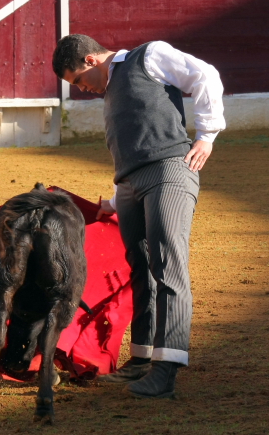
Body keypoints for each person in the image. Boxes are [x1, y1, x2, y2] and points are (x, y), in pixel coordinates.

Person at [52, 35, 225, 398]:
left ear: (91, 59)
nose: (82, 89)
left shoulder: (149, 56)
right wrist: (115, 201)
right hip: (131, 184)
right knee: (141, 269)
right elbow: (133, 148)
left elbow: (205, 75)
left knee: (167, 265)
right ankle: (143, 359)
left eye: (78, 80)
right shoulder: (112, 91)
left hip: (168, 170)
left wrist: (207, 135)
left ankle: (167, 369)